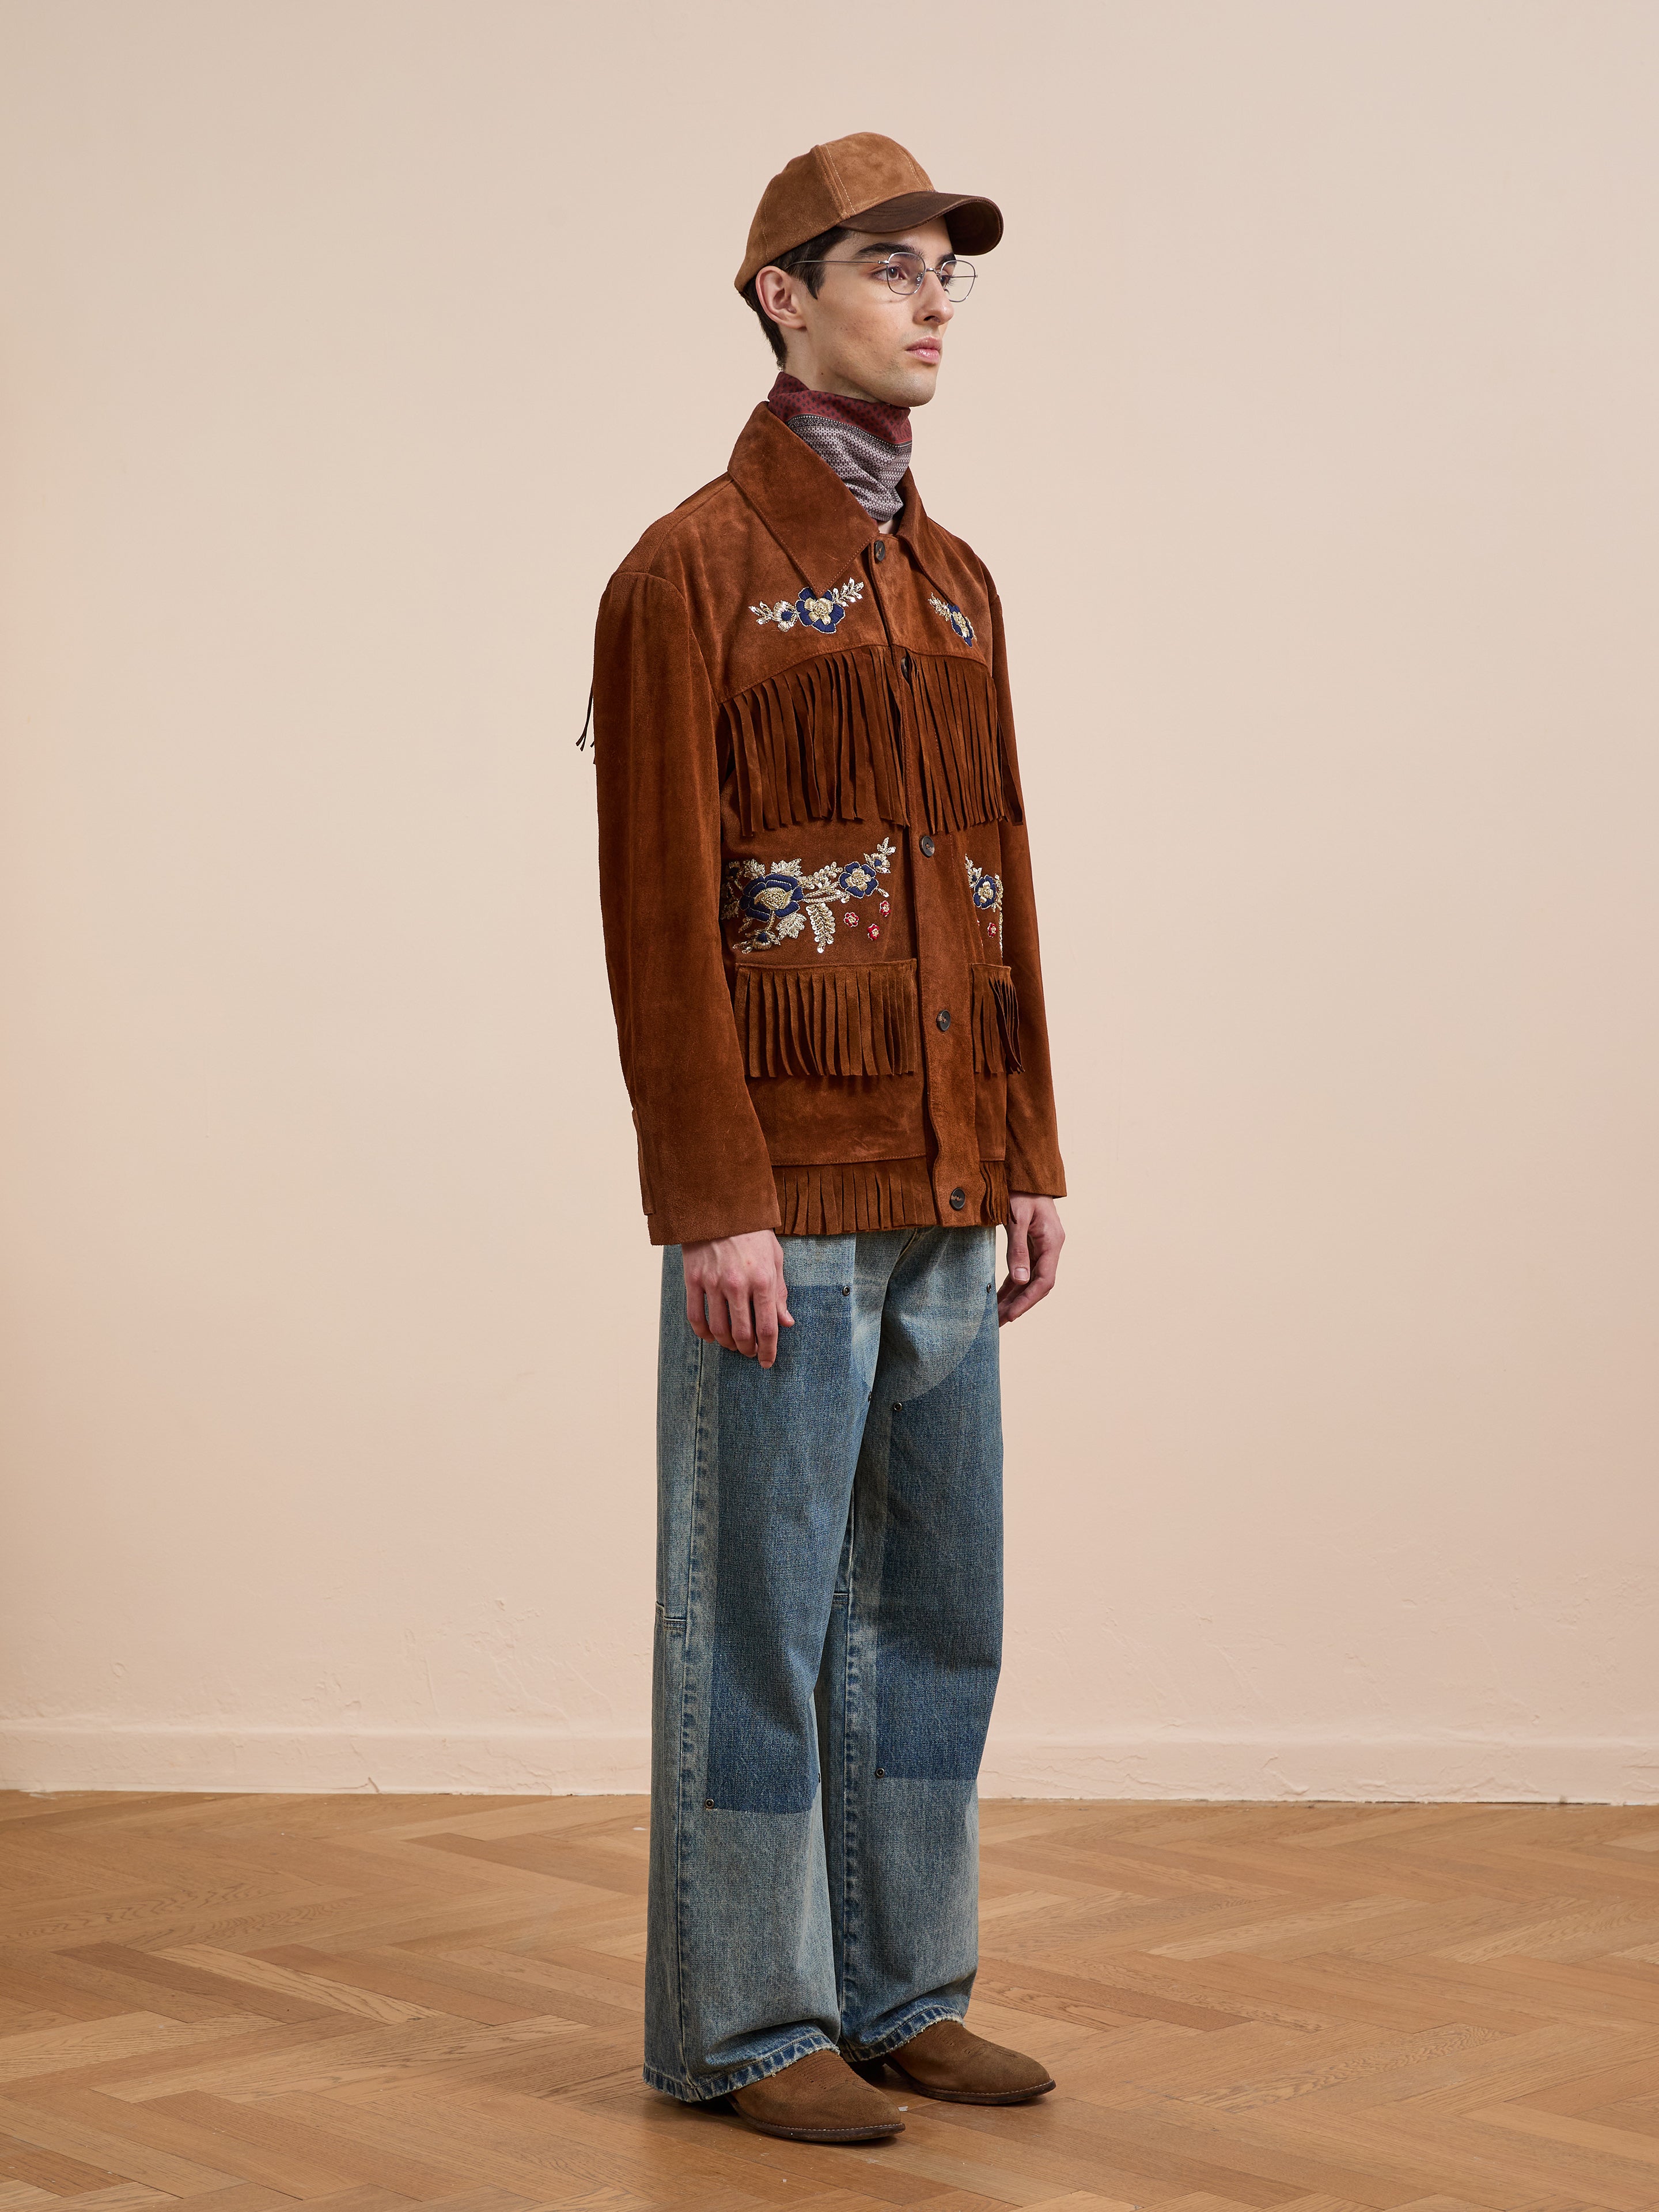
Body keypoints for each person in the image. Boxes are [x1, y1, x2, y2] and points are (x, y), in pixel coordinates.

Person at [589, 133, 1067, 2146]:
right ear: (783, 297)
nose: (932, 300)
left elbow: (996, 879)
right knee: (760, 1617)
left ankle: (903, 1991)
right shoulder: (688, 570)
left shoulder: (955, 585)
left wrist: (1031, 1148)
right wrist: (712, 1201)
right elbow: (656, 912)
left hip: (949, 1178)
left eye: (948, 270)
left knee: (935, 1609)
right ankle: (747, 2019)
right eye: (889, 266)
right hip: (780, 1203)